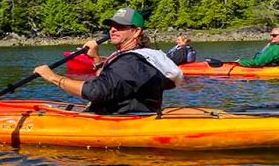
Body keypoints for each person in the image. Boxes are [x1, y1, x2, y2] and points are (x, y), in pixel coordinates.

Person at [34, 7, 183, 114]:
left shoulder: (131, 61)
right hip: (134, 113)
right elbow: (112, 85)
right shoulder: (144, 58)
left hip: (124, 120)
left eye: (120, 26)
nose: (112, 30)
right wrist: (96, 59)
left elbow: (96, 91)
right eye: (112, 26)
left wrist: (53, 77)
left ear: (136, 31)